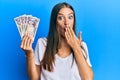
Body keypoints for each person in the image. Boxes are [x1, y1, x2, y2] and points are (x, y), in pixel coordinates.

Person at [20, 2, 94, 80]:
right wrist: (29, 54)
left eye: (70, 17)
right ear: (54, 22)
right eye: (60, 18)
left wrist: (76, 48)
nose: (66, 23)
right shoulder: (42, 43)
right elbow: (34, 78)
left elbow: (88, 78)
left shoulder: (82, 46)